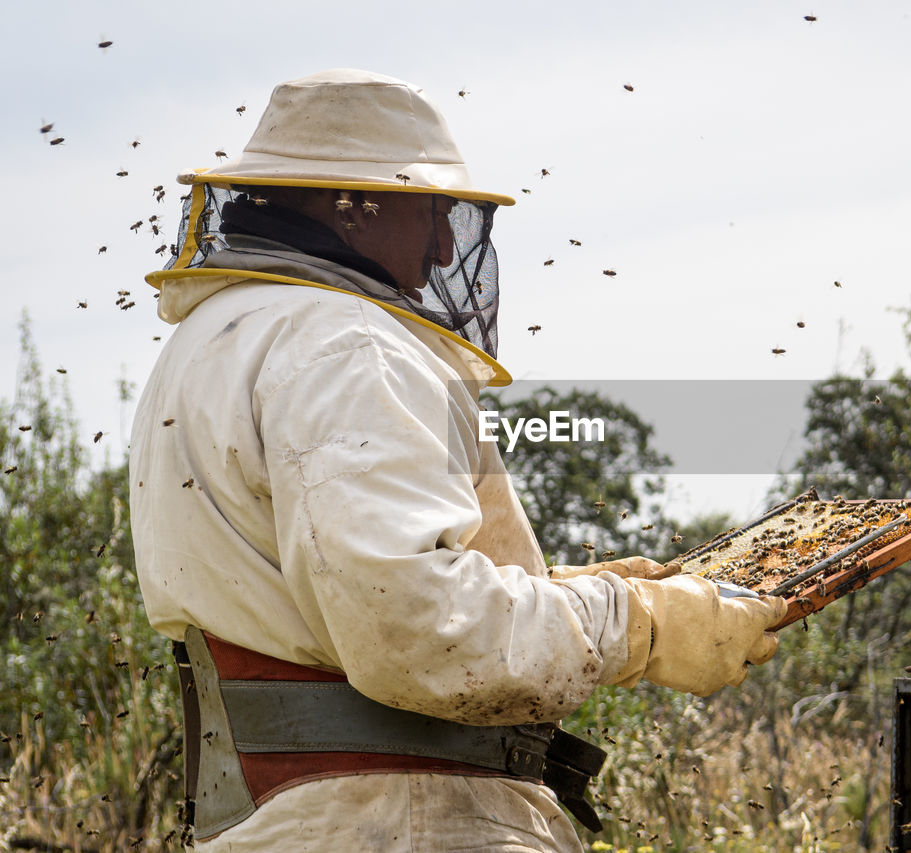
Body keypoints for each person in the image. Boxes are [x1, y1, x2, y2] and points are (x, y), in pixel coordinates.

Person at [129, 68, 786, 852]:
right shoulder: (344, 345)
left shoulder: (214, 343)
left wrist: (566, 594)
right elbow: (415, 624)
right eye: (431, 212)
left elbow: (322, 595)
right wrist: (633, 624)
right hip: (399, 822)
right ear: (353, 205)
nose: (445, 244)